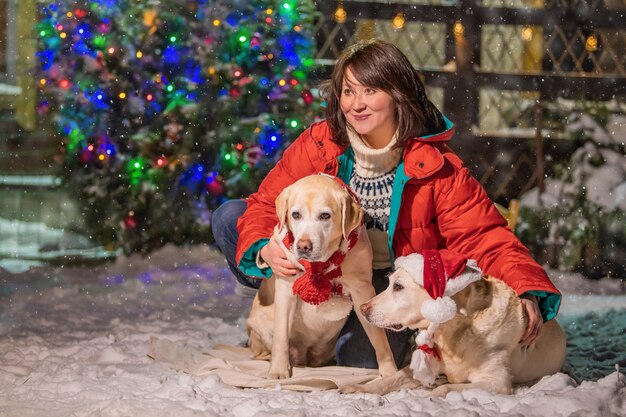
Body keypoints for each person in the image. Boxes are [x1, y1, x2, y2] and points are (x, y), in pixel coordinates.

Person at [211, 39, 561, 370]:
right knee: (231, 218)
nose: (356, 103)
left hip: (384, 279)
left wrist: (527, 290)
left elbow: (484, 236)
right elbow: (264, 203)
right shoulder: (320, 144)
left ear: (398, 95)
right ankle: (282, 306)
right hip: (322, 263)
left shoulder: (437, 166)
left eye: (370, 90)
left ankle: (379, 333)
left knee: (359, 363)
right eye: (348, 91)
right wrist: (264, 250)